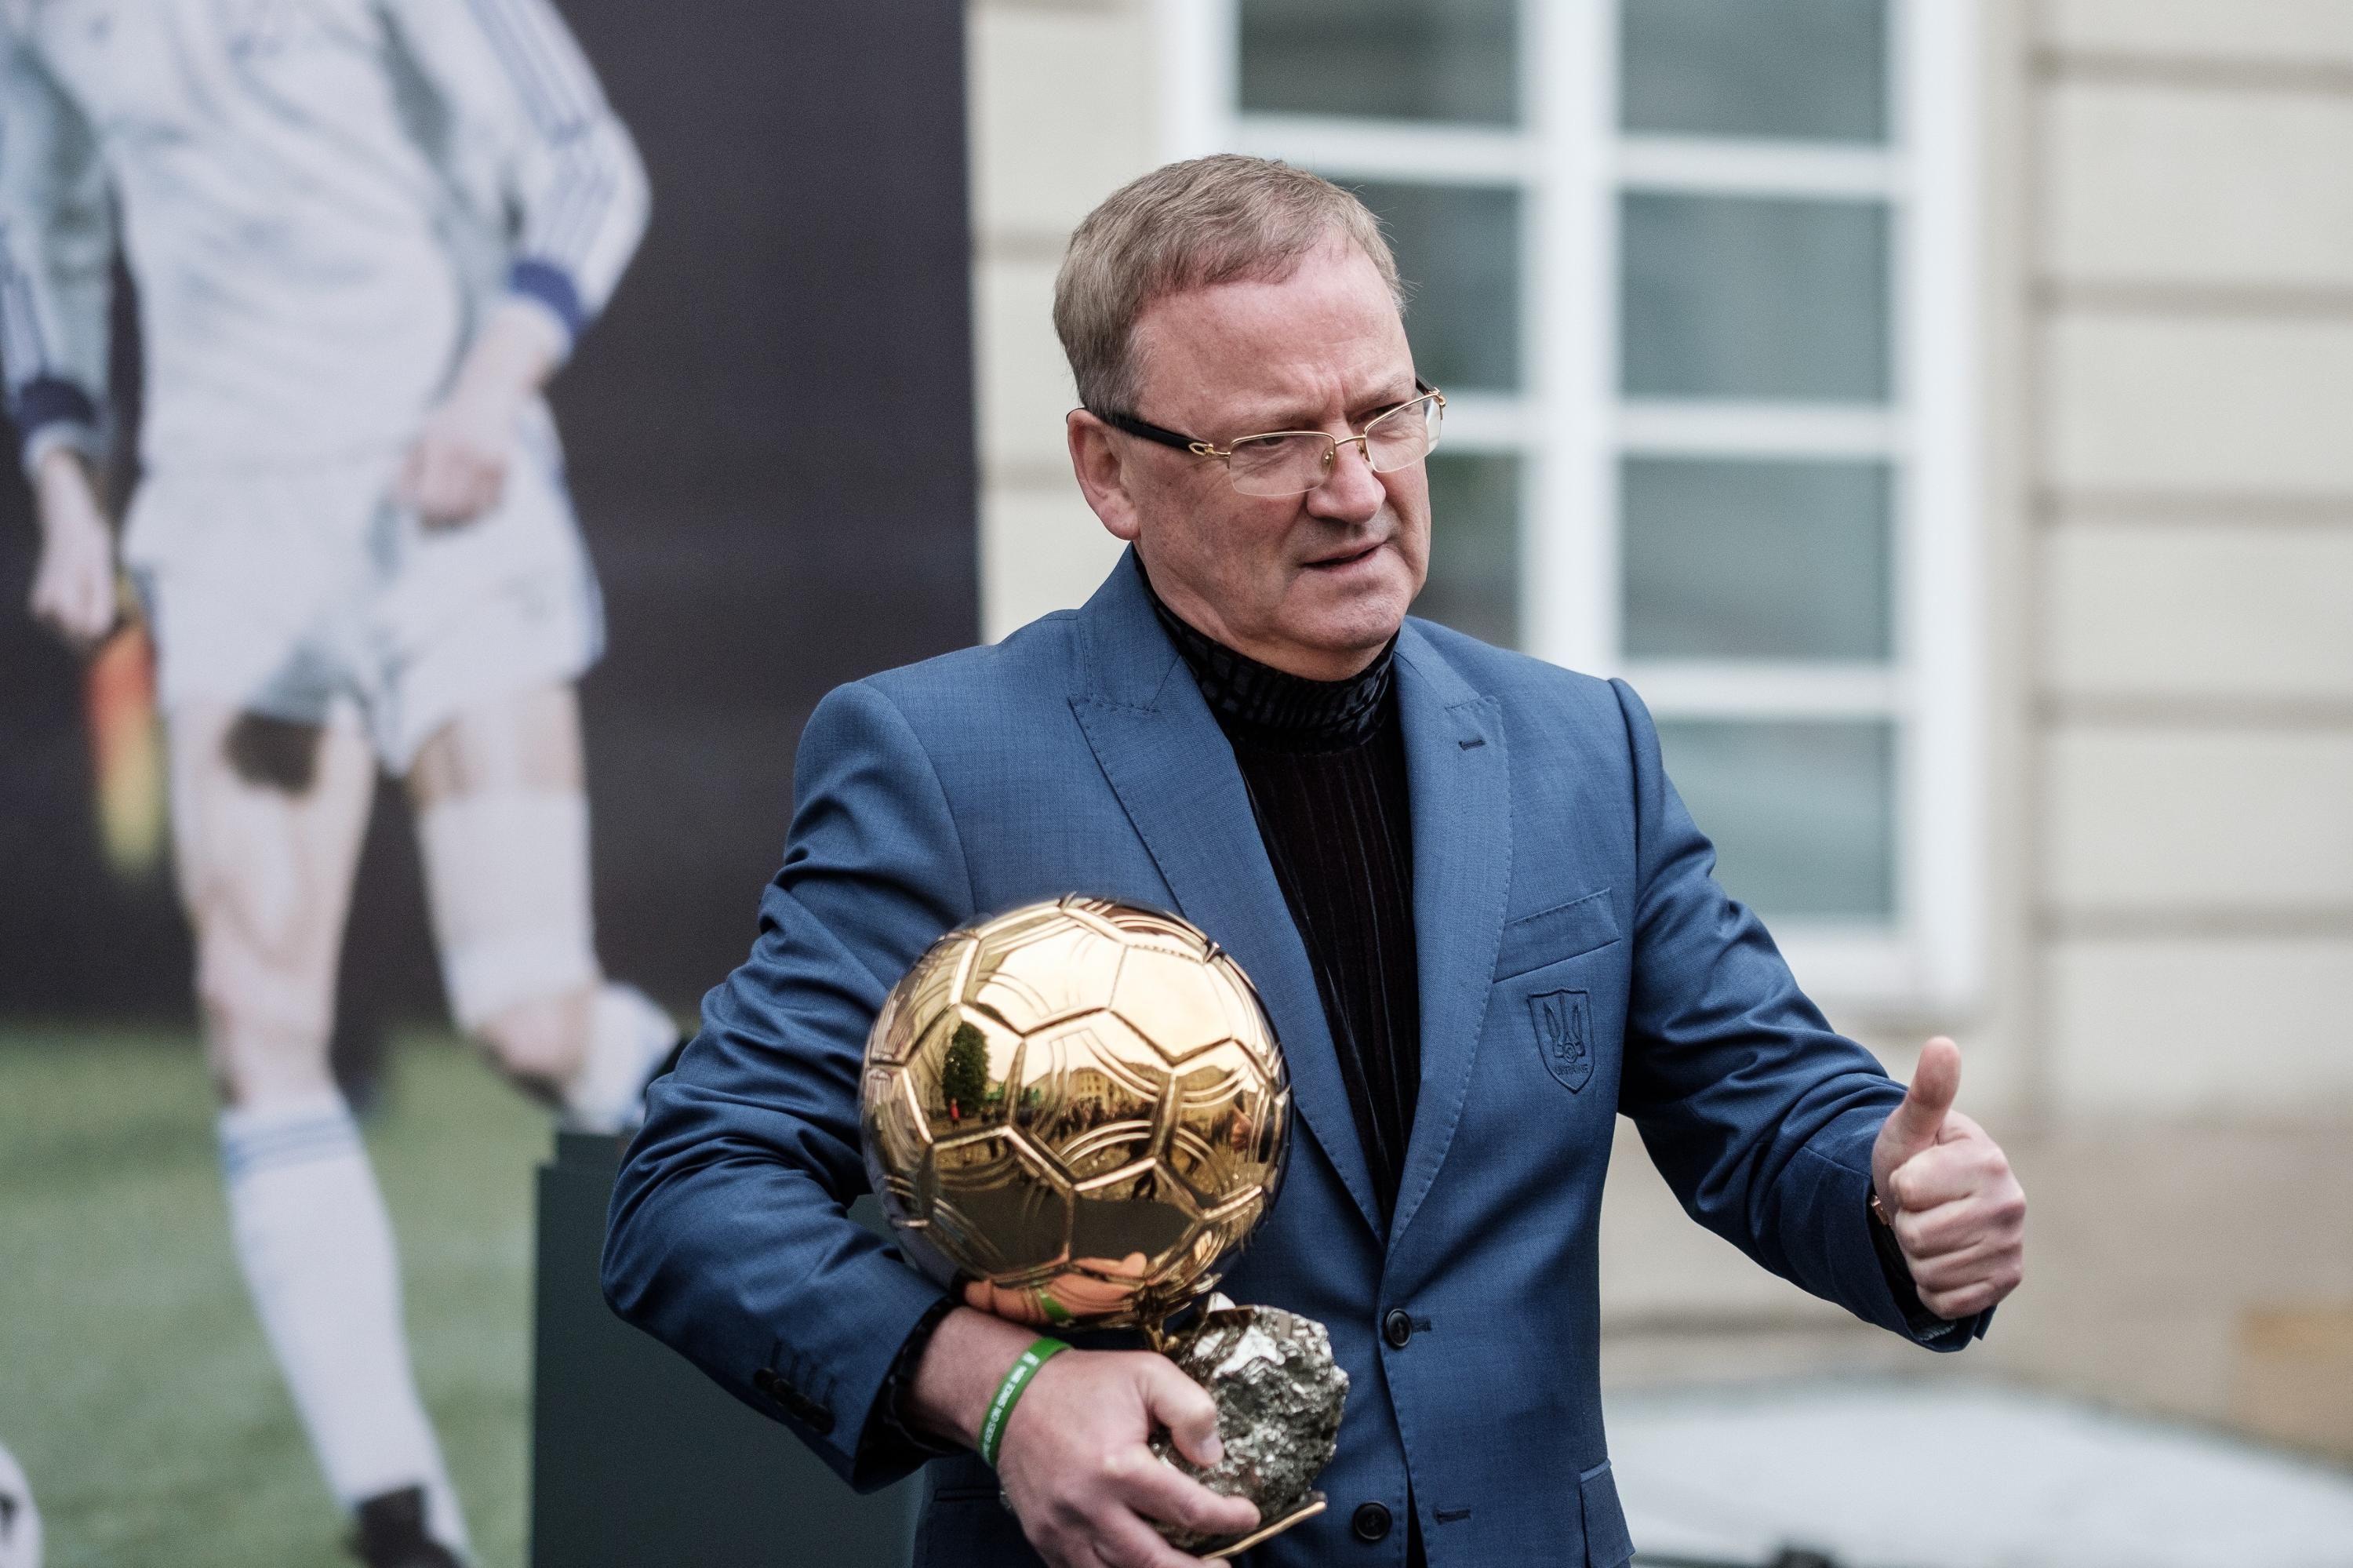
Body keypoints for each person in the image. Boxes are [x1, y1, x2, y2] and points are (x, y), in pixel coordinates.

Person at [602, 155, 2027, 1568]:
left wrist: (1892, 1197)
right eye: (1271, 442)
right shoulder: (941, 763)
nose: (1356, 490)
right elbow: (694, 1188)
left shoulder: (1581, 747)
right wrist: (1001, 1389)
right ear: (1110, 470)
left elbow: (1768, 1105)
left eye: (1386, 416)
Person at [1, 2, 672, 1563]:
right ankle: (402, 1517)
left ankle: (804, 1159)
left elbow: (589, 162)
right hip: (228, 530)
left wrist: (492, 386)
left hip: (447, 511)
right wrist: (65, 489)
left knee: (531, 1021)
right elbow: (37, 234)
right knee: (257, 1023)